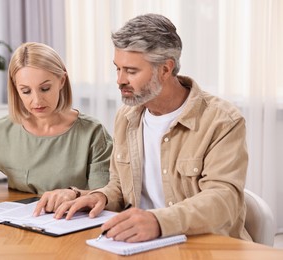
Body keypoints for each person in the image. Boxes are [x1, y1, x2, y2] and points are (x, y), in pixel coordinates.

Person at [35, 13, 252, 243]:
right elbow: (120, 186)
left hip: (207, 246)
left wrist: (159, 222)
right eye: (117, 68)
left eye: (131, 71)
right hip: (143, 244)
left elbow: (223, 199)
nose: (119, 80)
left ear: (165, 69)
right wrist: (98, 196)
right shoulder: (127, 117)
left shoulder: (222, 121)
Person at [0, 42, 113, 209]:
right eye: (26, 91)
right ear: (15, 89)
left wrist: (73, 194)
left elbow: (107, 197)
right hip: (21, 231)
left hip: (73, 228)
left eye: (45, 88)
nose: (36, 100)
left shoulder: (93, 134)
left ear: (62, 81)